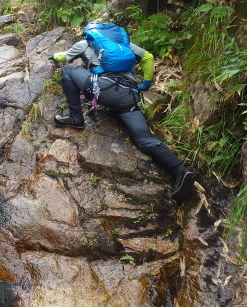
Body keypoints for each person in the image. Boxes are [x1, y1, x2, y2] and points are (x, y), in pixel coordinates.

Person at [48, 22, 194, 203]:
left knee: (68, 70)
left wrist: (53, 55)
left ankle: (76, 117)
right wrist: (146, 84)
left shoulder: (85, 43)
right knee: (144, 140)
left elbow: (64, 57)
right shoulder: (125, 46)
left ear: (90, 33)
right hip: (129, 98)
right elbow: (148, 57)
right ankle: (181, 171)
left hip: (104, 90)